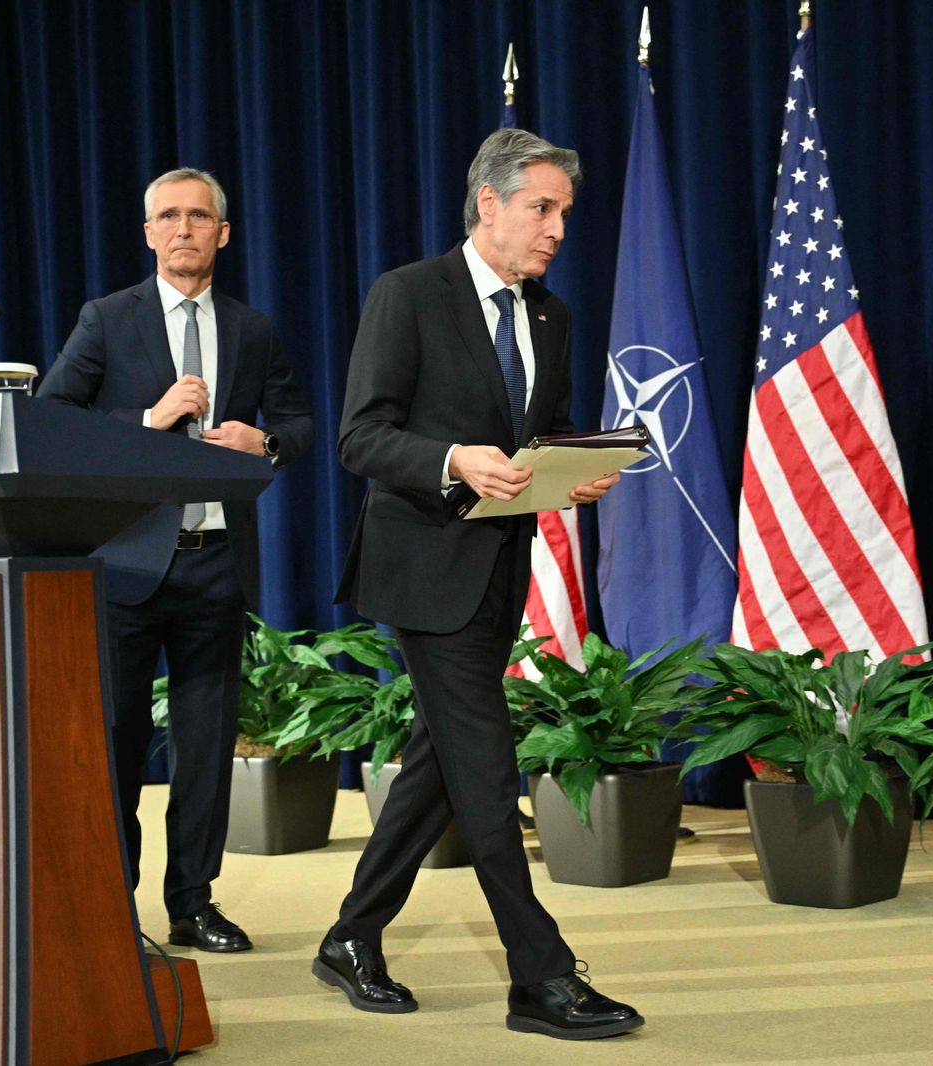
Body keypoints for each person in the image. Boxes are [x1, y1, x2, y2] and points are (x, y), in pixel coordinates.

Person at [324, 128, 641, 1040]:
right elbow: (361, 436)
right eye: (542, 209)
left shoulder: (552, 315)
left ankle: (352, 936)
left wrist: (573, 469)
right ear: (489, 204)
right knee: (485, 768)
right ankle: (538, 977)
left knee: (435, 768)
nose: (557, 230)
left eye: (565, 215)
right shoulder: (409, 294)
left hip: (501, 568)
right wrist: (454, 458)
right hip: (422, 570)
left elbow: (547, 428)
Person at [39, 167, 314, 953]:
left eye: (200, 217)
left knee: (205, 748)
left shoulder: (252, 328)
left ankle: (193, 903)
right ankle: (110, 906)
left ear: (222, 234)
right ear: (150, 232)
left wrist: (262, 441)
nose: (185, 228)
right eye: (170, 216)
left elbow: (295, 421)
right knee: (117, 743)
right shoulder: (106, 319)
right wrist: (148, 419)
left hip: (215, 565)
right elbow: (54, 418)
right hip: (127, 564)